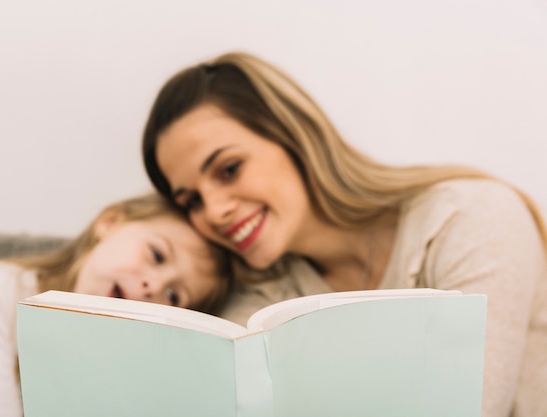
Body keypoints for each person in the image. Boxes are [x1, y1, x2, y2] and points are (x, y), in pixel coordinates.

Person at [141, 51, 547, 417]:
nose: (214, 211)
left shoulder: (469, 218)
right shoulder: (262, 301)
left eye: (229, 169)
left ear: (294, 135)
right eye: (191, 200)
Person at [0, 193, 231, 417]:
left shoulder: (140, 360)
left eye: (173, 296)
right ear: (109, 223)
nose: (154, 287)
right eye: (157, 254)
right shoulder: (1, 286)